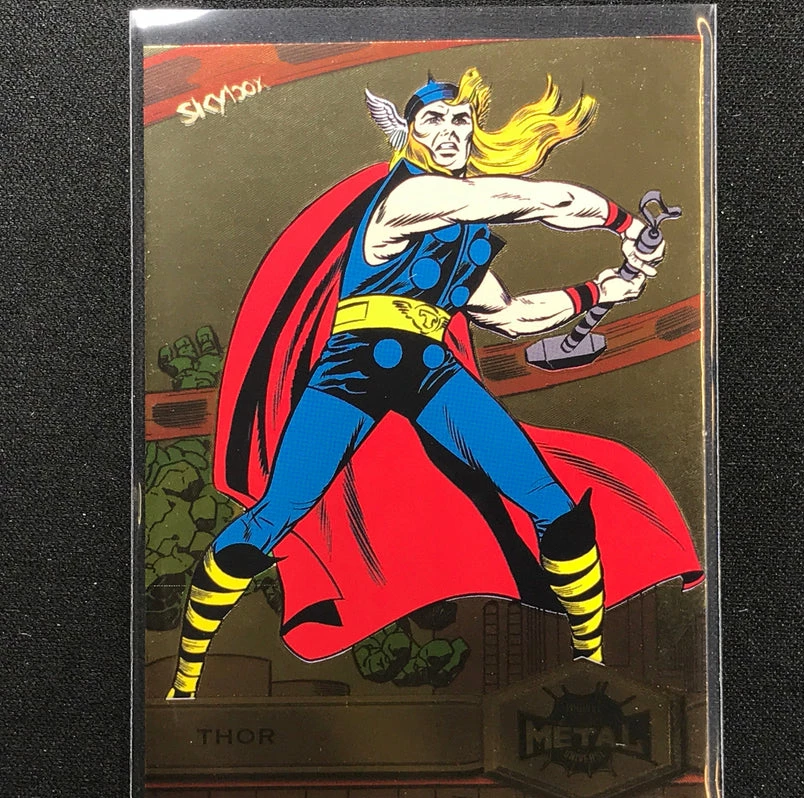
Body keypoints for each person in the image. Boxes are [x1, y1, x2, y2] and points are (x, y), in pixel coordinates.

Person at [167, 69, 698, 700]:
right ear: (410, 133)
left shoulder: (460, 236)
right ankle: (186, 681)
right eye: (433, 121)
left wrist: (600, 290)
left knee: (552, 505)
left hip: (429, 372)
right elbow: (535, 202)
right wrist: (623, 223)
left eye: (459, 120)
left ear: (472, 131)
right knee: (276, 516)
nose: (449, 131)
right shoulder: (408, 196)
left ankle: (592, 661)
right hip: (353, 371)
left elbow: (510, 316)